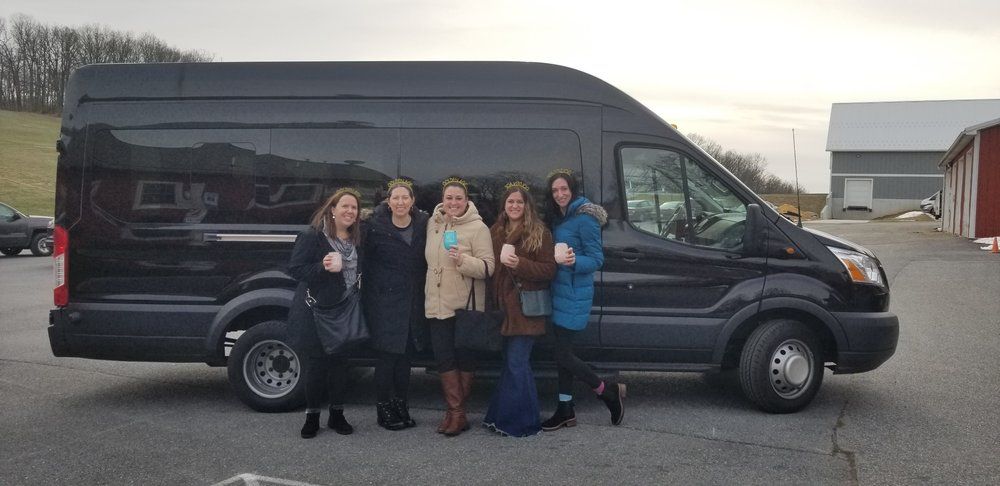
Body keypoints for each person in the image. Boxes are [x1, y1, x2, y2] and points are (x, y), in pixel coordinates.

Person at [541, 169, 626, 431]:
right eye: (555, 190)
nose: (560, 194)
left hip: (575, 294)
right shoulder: (560, 218)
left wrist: (574, 260)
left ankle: (606, 391)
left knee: (561, 353)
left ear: (573, 189)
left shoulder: (585, 218)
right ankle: (565, 409)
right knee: (563, 355)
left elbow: (597, 259)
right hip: (559, 292)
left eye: (564, 189)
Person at [287, 187, 365, 438]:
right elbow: (296, 269)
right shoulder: (313, 236)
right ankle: (312, 417)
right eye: (345, 206)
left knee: (340, 366)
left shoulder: (358, 239)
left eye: (354, 208)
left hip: (345, 310)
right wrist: (323, 266)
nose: (350, 211)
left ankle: (337, 415)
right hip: (317, 312)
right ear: (332, 210)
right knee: (316, 365)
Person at [482, 182, 557, 437]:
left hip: (526, 309)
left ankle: (523, 424)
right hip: (502, 309)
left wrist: (520, 264)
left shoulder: (539, 232)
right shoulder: (495, 231)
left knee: (517, 364)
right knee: (511, 365)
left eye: (519, 202)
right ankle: (498, 417)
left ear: (527, 206)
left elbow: (549, 270)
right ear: (504, 206)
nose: (514, 206)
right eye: (510, 202)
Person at [424, 176, 495, 437]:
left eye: (458, 198)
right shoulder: (433, 223)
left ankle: (456, 413)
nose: (453, 203)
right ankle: (456, 413)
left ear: (467, 201)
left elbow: (489, 267)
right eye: (449, 198)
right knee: (443, 359)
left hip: (465, 306)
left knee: (464, 360)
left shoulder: (478, 228)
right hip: (436, 302)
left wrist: (463, 260)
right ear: (442, 200)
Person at [363, 178, 428, 431]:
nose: (400, 202)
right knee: (387, 359)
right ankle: (383, 408)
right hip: (385, 302)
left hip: (412, 302)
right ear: (388, 202)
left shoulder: (423, 224)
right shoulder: (374, 226)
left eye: (405, 198)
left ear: (412, 202)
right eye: (395, 198)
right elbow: (363, 261)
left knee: (405, 360)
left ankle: (401, 405)